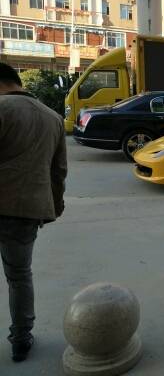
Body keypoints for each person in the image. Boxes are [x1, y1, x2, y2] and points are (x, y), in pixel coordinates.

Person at [0, 63, 67, 362]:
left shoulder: (2, 109)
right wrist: (54, 206)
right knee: (19, 276)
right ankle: (21, 339)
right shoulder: (53, 118)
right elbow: (58, 170)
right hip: (27, 209)